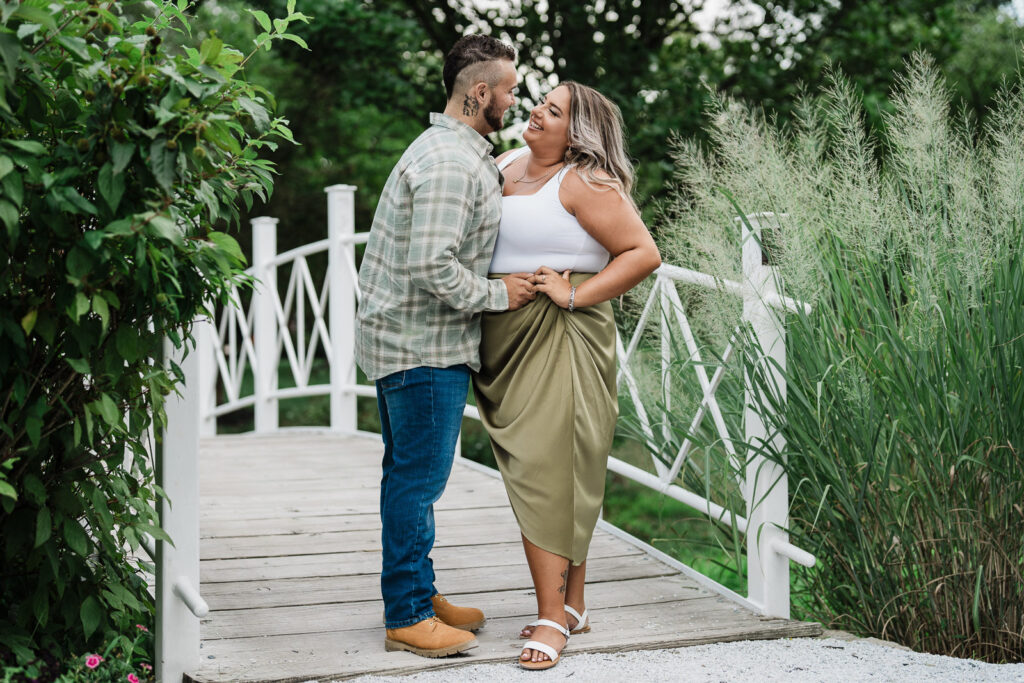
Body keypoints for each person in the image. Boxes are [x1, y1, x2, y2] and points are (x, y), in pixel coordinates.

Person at [354, 34, 537, 658]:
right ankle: (406, 614)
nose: (515, 100)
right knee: (417, 481)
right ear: (479, 92)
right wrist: (500, 295)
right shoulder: (452, 163)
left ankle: (419, 590)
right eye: (509, 90)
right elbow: (431, 265)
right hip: (422, 347)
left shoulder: (454, 151)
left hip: (412, 341)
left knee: (409, 476)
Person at [472, 81, 662, 670]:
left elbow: (642, 253)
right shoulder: (502, 162)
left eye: (553, 111)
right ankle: (573, 603)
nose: (535, 110)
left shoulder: (583, 181)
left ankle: (550, 616)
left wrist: (575, 293)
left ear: (576, 133)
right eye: (539, 102)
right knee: (559, 469)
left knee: (546, 468)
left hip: (561, 335)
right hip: (503, 334)